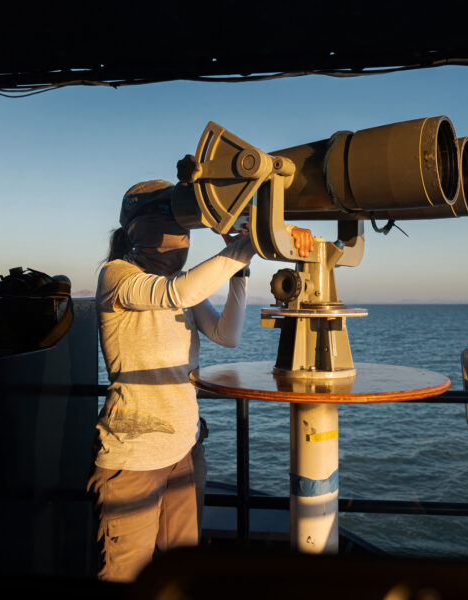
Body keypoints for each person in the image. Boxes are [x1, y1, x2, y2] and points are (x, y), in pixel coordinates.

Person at [88, 180, 313, 582]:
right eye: (174, 223)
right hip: (134, 458)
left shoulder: (179, 288)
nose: (182, 237)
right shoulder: (116, 277)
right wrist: (249, 242)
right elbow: (179, 292)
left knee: (182, 572)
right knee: (126, 575)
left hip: (185, 449)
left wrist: (240, 271)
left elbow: (227, 336)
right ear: (138, 229)